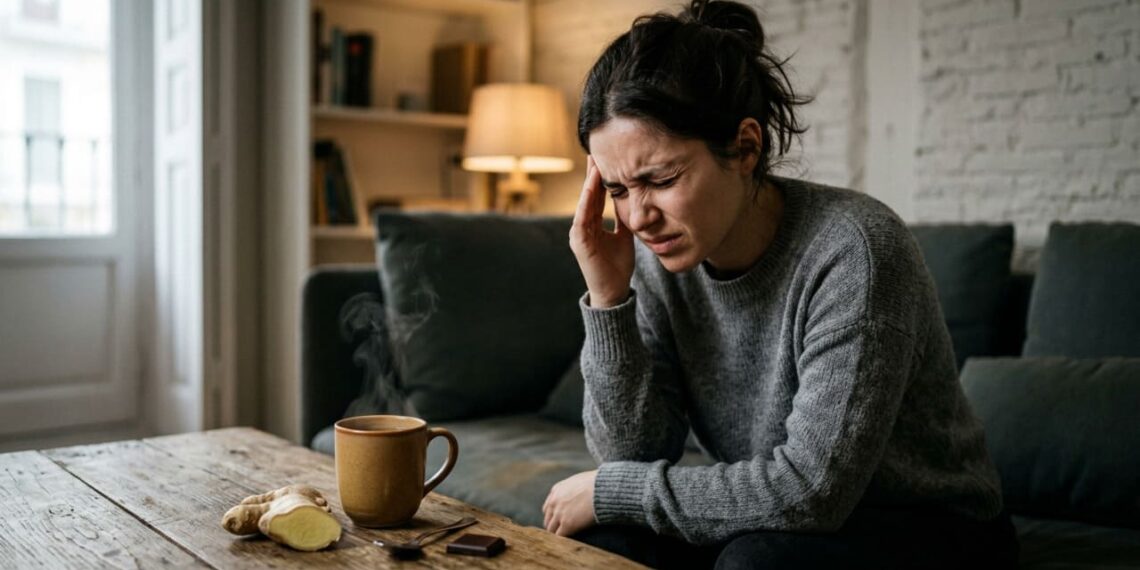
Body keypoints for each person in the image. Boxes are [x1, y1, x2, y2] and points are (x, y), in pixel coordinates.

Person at [540, 1, 1019, 568]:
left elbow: (812, 489)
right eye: (618, 189)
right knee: (605, 544)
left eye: (661, 179)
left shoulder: (856, 250)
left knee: (756, 560)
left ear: (746, 147)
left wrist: (610, 491)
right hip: (789, 521)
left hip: (935, 525)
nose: (638, 216)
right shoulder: (660, 256)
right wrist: (608, 298)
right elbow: (634, 454)